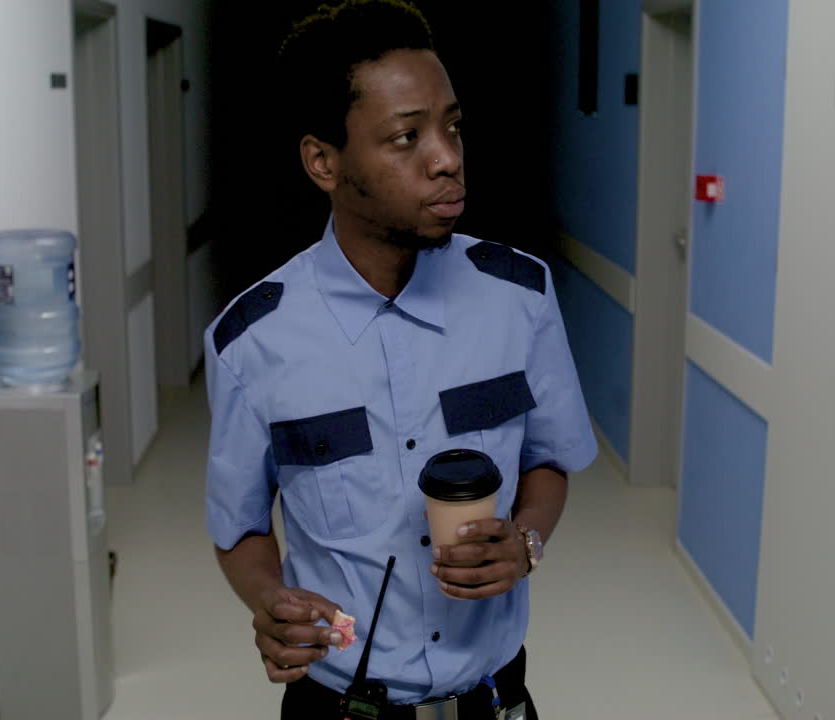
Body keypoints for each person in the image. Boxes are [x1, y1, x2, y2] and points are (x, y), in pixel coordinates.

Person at [203, 1, 596, 717]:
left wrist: (528, 540)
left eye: (452, 126)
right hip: (339, 703)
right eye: (406, 136)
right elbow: (242, 529)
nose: (446, 157)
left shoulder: (520, 298)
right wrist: (271, 600)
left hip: (493, 700)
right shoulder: (250, 342)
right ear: (324, 161)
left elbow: (549, 457)